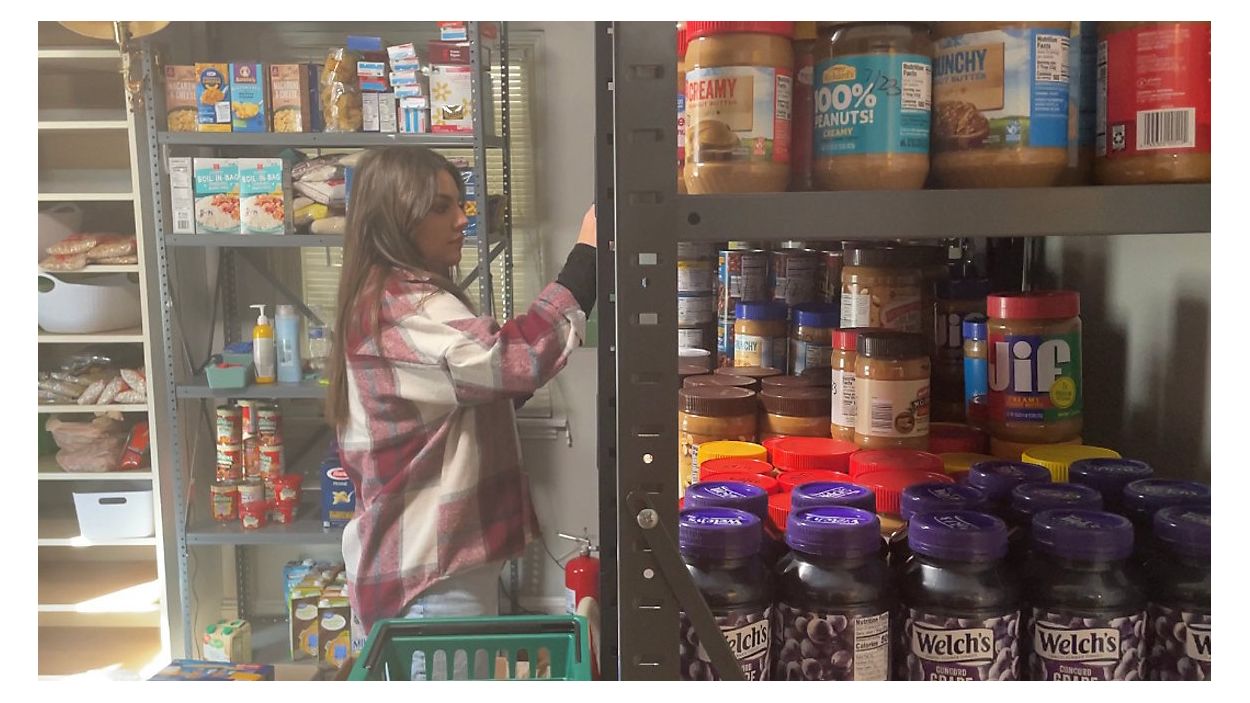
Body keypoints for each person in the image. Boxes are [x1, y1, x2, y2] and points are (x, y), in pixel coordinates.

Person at [325, 146, 597, 656]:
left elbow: (474, 390)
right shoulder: (401, 307)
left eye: (459, 203)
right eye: (441, 207)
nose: (462, 218)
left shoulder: (396, 296)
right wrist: (589, 254)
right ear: (396, 218)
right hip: (428, 581)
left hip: (433, 571)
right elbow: (512, 359)